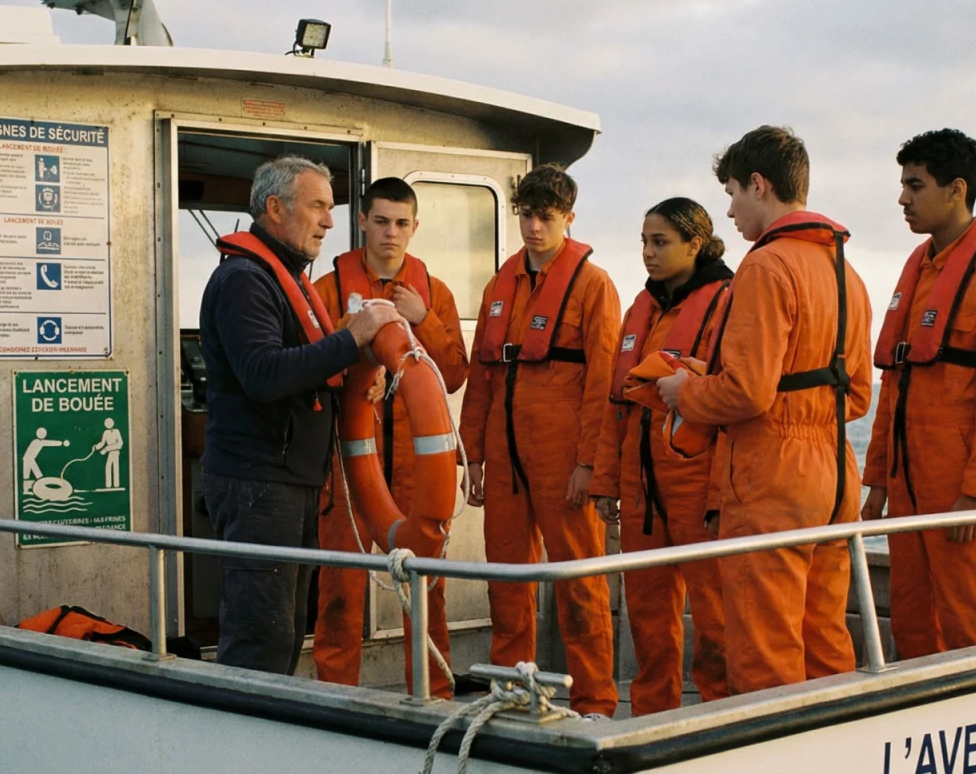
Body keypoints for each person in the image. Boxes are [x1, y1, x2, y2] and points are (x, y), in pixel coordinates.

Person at [658, 126, 872, 693]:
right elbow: (857, 395)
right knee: (825, 638)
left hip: (773, 476)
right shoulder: (846, 272)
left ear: (759, 184)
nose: (729, 210)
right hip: (835, 473)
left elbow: (748, 392)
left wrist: (685, 393)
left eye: (732, 193)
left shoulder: (766, 266)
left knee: (763, 649)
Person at [199, 156, 402, 676]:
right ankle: (243, 728)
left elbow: (307, 365)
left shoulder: (280, 276)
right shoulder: (245, 281)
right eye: (317, 207)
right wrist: (351, 338)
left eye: (329, 209)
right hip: (258, 484)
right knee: (259, 638)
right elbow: (264, 373)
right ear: (275, 208)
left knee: (285, 631)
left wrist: (362, 365)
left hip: (288, 481)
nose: (329, 222)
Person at [862, 129, 976, 659]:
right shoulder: (918, 271)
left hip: (962, 493)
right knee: (912, 625)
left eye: (915, 185)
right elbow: (894, 383)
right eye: (903, 185)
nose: (903, 198)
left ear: (956, 189)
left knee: (974, 626)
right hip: (908, 489)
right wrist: (878, 482)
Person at [461, 163, 621, 718]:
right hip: (504, 457)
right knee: (506, 580)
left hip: (564, 459)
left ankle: (596, 702)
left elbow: (604, 383)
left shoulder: (594, 286)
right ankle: (511, 695)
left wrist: (590, 464)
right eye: (527, 215)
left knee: (580, 583)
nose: (534, 227)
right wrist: (472, 455)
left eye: (546, 218)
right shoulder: (499, 286)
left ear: (569, 218)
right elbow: (481, 376)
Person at [311, 177, 469, 699]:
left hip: (417, 466)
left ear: (415, 227)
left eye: (401, 223)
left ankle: (432, 697)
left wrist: (424, 321)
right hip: (348, 466)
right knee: (339, 590)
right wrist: (359, 367)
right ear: (362, 222)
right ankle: (336, 700)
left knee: (427, 590)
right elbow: (311, 368)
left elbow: (453, 375)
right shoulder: (327, 290)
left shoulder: (434, 293)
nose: (391, 233)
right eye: (380, 221)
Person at [591, 197, 732, 715]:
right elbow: (618, 401)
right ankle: (652, 718)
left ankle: (721, 717)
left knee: (715, 615)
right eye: (644, 242)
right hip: (641, 483)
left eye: (660, 242)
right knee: (647, 612)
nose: (648, 253)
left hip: (697, 478)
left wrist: (720, 496)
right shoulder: (640, 308)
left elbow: (734, 403)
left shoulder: (727, 302)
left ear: (695, 244)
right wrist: (606, 481)